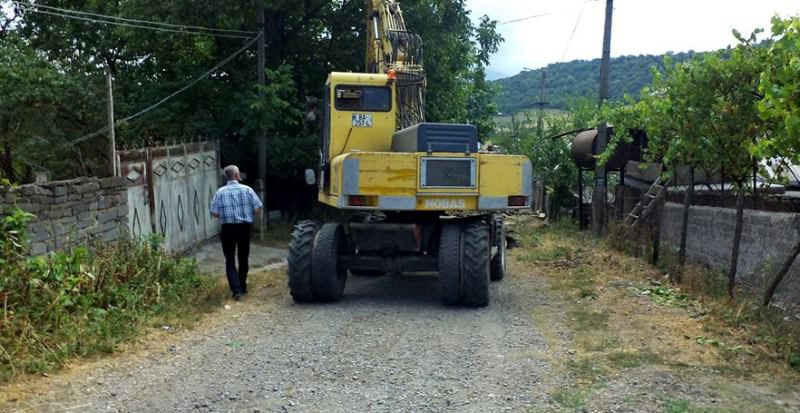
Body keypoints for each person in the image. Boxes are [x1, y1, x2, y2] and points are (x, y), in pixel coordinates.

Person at [210, 165, 263, 300]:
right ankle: (243, 285)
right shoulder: (247, 190)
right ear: (237, 175)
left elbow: (215, 213)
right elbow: (258, 208)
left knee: (229, 259)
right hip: (244, 227)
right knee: (243, 257)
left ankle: (236, 290)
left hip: (227, 228)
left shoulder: (219, 192)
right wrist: (246, 212)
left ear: (226, 176)